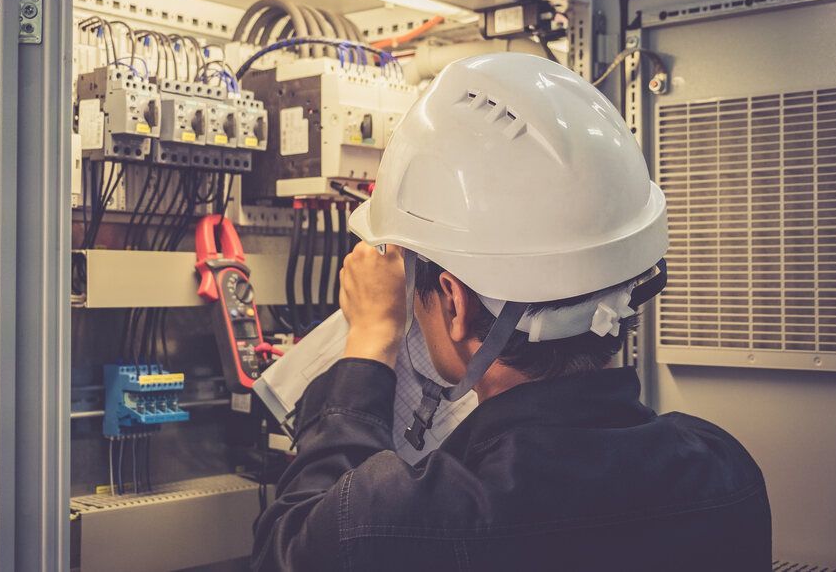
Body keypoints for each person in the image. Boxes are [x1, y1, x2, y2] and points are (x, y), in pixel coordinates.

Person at [251, 53, 771, 571]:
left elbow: (292, 544)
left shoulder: (397, 521)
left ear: (454, 302)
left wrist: (369, 342)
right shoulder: (725, 472)